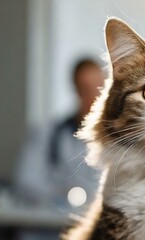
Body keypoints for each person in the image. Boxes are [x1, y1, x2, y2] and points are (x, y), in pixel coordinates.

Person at [15, 58, 105, 210]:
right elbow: (25, 180)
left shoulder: (123, 138)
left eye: (98, 88)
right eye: (85, 89)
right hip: (52, 223)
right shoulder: (50, 133)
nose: (92, 97)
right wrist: (61, 193)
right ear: (76, 90)